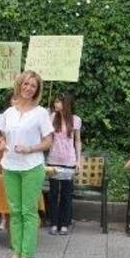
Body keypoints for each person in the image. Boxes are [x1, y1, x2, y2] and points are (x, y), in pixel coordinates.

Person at [0, 70, 53, 258]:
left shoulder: (41, 113)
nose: (28, 88)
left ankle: (26, 255)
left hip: (32, 166)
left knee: (28, 211)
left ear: (37, 90)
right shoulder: (9, 112)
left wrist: (30, 148)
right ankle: (15, 252)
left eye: (33, 86)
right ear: (19, 85)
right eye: (25, 84)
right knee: (14, 211)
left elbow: (48, 141)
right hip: (10, 166)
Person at [46, 93, 82, 236]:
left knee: (67, 193)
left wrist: (78, 160)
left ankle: (65, 223)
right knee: (53, 193)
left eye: (59, 102)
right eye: (55, 102)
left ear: (66, 103)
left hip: (69, 160)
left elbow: (78, 141)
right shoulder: (51, 117)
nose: (56, 104)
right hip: (53, 159)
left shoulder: (75, 120)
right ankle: (54, 223)